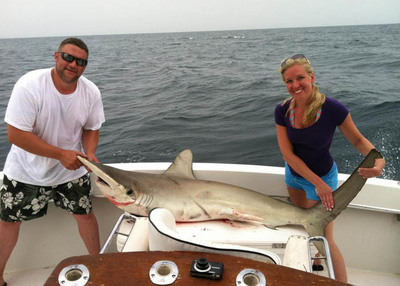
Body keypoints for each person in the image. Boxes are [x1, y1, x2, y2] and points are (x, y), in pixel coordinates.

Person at [0, 37, 105, 286]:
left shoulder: (91, 91)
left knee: (85, 215)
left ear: (85, 66)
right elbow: (16, 135)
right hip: (25, 171)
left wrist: (89, 152)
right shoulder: (30, 85)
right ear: (56, 56)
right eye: (68, 57)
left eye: (81, 61)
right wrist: (60, 154)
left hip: (71, 170)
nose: (73, 64)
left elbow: (92, 128)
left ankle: (101, 266)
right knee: (8, 222)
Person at [274, 54, 385, 282]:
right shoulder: (282, 110)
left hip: (325, 179)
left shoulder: (333, 109)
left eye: (300, 78)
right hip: (295, 177)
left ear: (312, 77)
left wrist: (378, 158)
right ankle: (316, 265)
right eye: (288, 81)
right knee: (305, 225)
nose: (295, 85)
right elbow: (287, 154)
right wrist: (316, 183)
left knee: (325, 238)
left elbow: (358, 141)